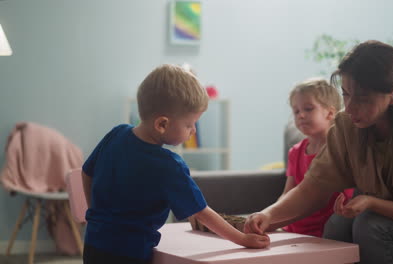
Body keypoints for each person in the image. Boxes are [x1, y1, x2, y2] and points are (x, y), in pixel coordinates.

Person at [244, 40, 393, 264]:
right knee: (337, 223)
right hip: (379, 218)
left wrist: (372, 202)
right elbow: (313, 188)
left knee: (370, 225)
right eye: (345, 94)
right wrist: (268, 215)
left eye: (362, 98)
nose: (349, 107)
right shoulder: (347, 125)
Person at [82, 64, 270, 264]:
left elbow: (86, 172)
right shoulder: (169, 165)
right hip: (130, 252)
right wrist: (241, 239)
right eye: (190, 124)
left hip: (93, 243)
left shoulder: (116, 134)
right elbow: (201, 212)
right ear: (162, 124)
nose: (193, 131)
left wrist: (93, 212)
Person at [280, 78, 353, 237]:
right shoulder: (295, 152)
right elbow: (287, 193)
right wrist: (269, 218)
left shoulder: (340, 149)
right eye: (296, 111)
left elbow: (347, 195)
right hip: (293, 228)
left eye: (308, 108)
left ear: (330, 113)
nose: (301, 115)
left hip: (327, 228)